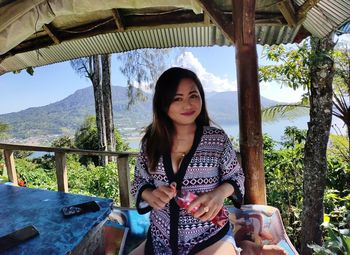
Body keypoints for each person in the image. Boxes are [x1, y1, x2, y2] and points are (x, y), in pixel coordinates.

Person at [130, 67, 287, 255]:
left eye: (193, 96)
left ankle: (245, 248)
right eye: (177, 98)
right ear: (163, 104)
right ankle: (246, 250)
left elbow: (236, 177)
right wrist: (149, 194)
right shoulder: (151, 143)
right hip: (160, 238)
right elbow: (139, 182)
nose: (187, 105)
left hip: (209, 237)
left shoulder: (217, 140)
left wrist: (220, 194)